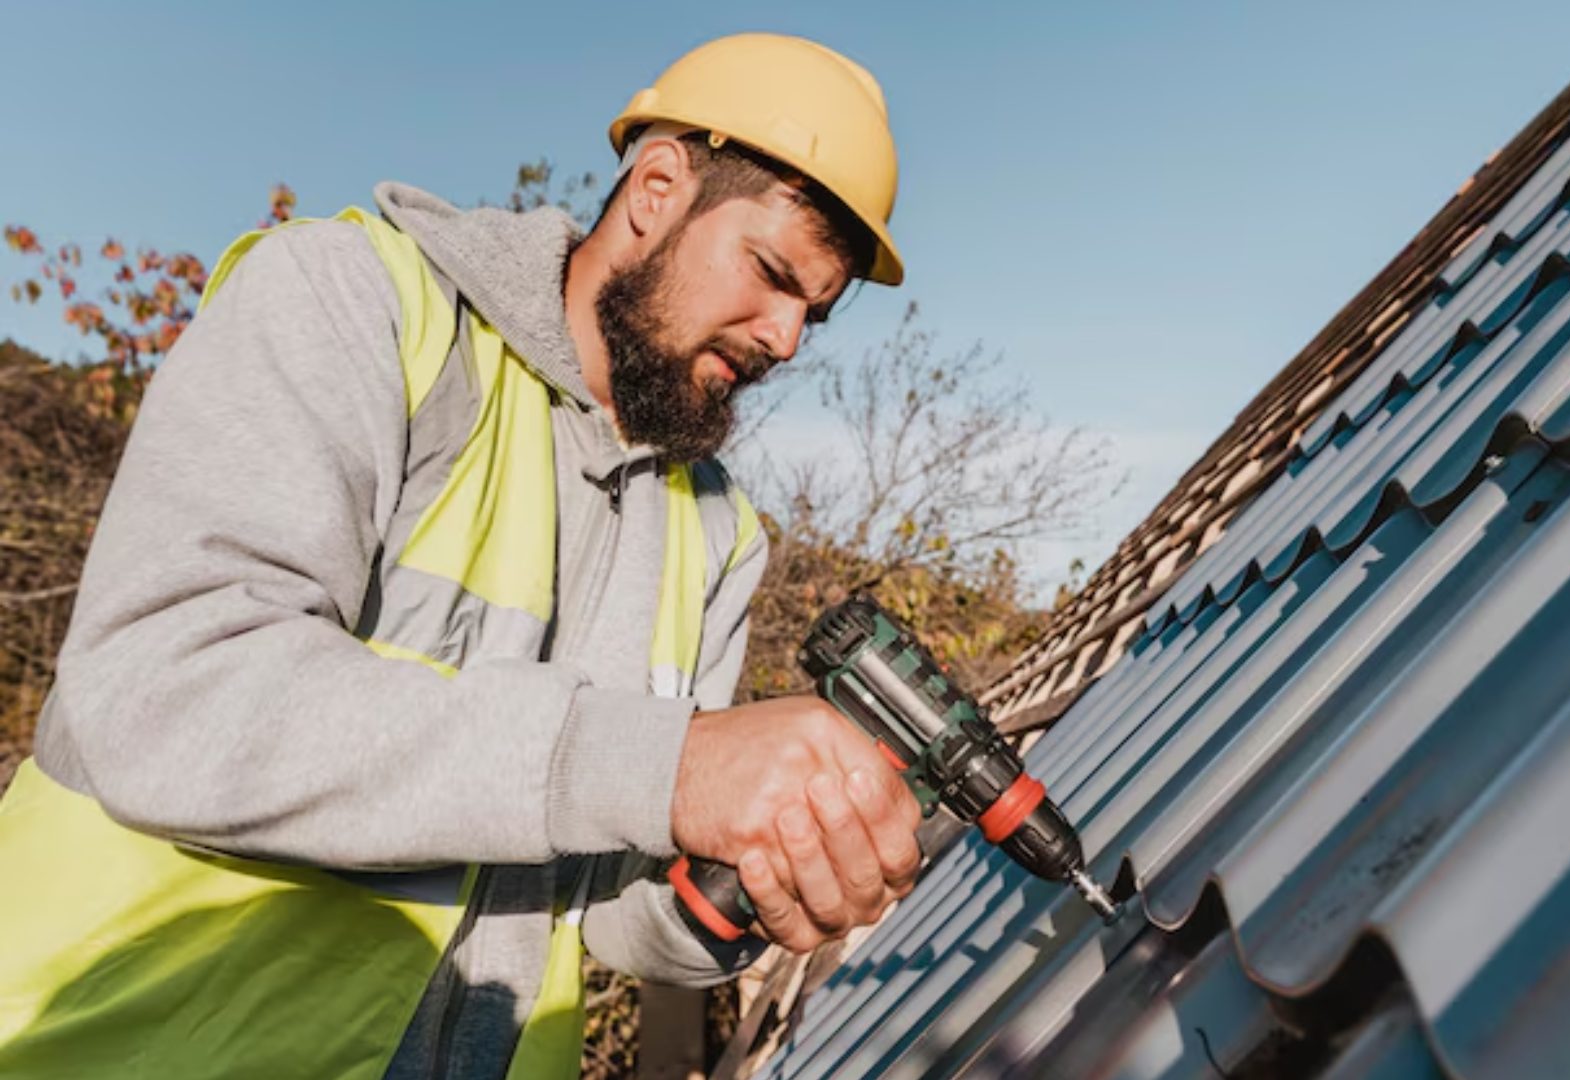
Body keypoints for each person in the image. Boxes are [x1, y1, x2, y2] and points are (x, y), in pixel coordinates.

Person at [0, 32, 920, 1079]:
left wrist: (750, 886)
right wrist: (666, 764)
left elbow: (613, 916)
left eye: (817, 310)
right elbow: (166, 694)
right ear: (660, 187)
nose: (788, 338)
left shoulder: (714, 529)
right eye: (771, 273)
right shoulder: (353, 305)